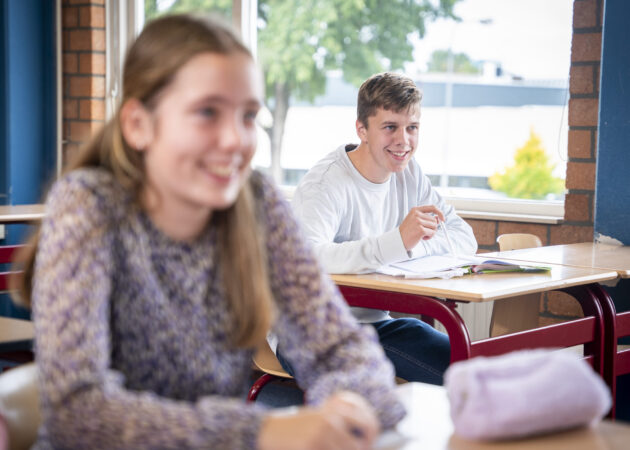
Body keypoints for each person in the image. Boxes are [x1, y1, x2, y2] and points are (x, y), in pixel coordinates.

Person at [13, 15, 405, 449]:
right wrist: (263, 430)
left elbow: (340, 346)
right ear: (139, 124)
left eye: (248, 116)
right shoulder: (89, 206)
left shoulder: (253, 200)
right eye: (206, 113)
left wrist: (352, 406)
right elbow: (77, 413)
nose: (235, 140)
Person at [284, 72, 478, 385]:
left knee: (471, 368)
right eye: (390, 127)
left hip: (376, 324)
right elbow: (308, 257)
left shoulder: (409, 173)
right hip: (309, 330)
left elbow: (463, 237)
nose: (404, 141)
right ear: (362, 129)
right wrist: (397, 242)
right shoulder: (327, 183)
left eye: (412, 128)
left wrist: (412, 244)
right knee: (443, 381)